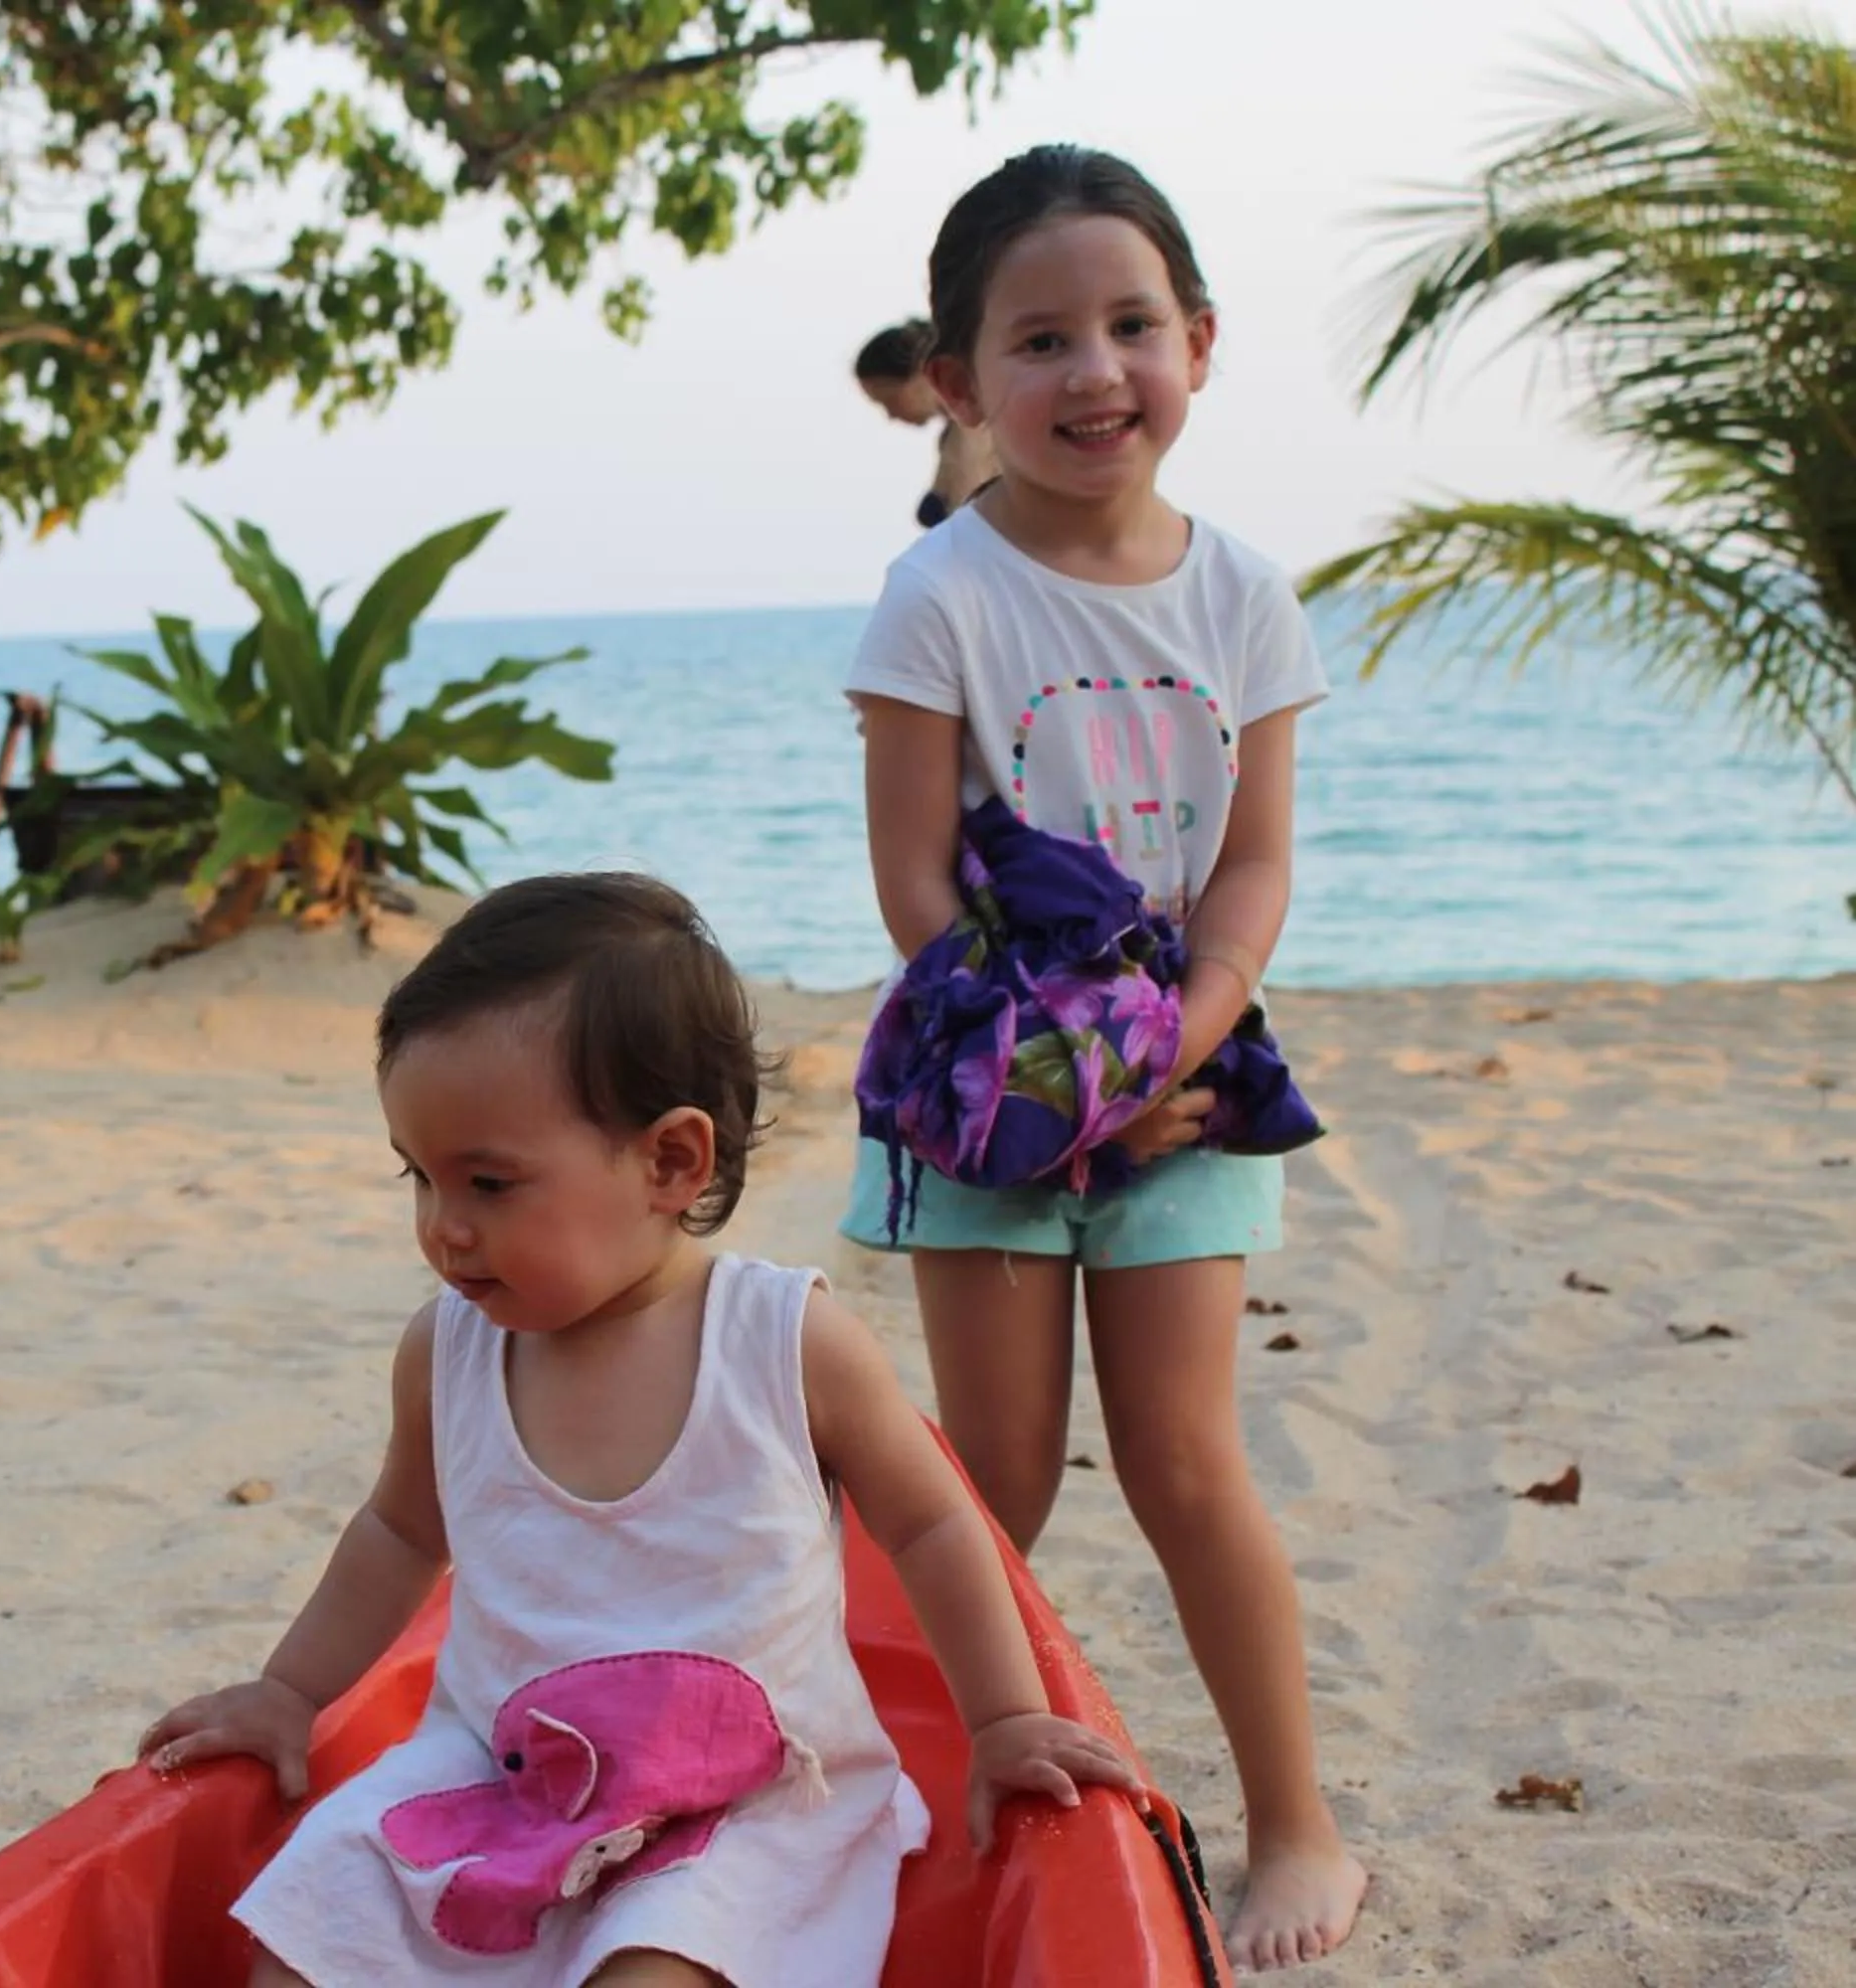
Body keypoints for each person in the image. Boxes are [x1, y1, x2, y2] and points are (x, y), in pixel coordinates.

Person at [139, 873, 1144, 1988]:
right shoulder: (451, 1351)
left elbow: (936, 1526)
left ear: (671, 1161)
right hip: (498, 1773)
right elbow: (395, 1530)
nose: (443, 1226)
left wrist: (1005, 1716)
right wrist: (289, 1691)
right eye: (417, 1175)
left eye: (488, 1181)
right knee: (306, 1928)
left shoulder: (781, 1338)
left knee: (658, 1969)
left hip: (747, 1804)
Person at [841, 145, 1368, 1972]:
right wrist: (1058, 1071)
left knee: (1185, 1460)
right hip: (989, 1082)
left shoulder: (1246, 596)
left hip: (1198, 1078)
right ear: (958, 383)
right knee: (988, 1466)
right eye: (1039, 338)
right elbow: (917, 879)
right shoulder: (942, 597)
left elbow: (1258, 862)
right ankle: (919, 1787)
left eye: (1131, 326)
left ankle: (1293, 1824)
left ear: (1200, 346)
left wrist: (1180, 1039)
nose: (1093, 372)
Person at [853, 318, 999, 528]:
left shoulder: (976, 426)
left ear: (919, 373)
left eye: (890, 399)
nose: (891, 415)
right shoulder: (956, 435)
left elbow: (973, 519)